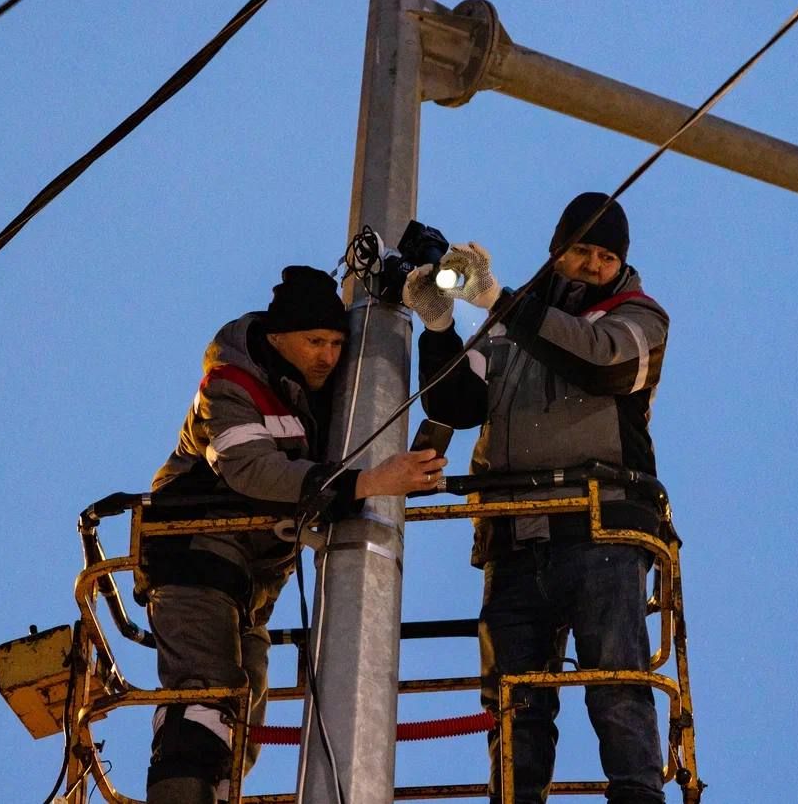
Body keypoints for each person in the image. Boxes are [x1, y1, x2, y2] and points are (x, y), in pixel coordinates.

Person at [141, 265, 446, 804]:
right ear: (278, 338)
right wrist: (371, 481)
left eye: (335, 342)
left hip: (251, 581)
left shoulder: (319, 394)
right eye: (314, 342)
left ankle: (215, 793)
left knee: (241, 709)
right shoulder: (230, 386)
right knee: (205, 696)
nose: (327, 355)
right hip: (193, 555)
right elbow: (251, 470)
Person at [404, 193, 670, 804]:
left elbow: (599, 361)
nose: (592, 264)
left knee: (616, 682)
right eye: (582, 250)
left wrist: (496, 297)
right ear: (558, 251)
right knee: (514, 699)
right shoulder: (511, 324)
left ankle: (638, 797)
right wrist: (440, 326)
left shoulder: (638, 317)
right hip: (514, 536)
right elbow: (457, 404)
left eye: (605, 255)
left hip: (597, 529)